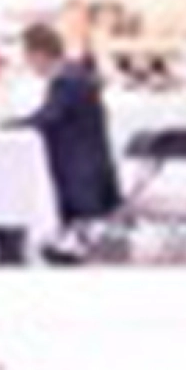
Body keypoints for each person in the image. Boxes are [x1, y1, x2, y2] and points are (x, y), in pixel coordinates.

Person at [10, 22, 122, 233]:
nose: (29, 65)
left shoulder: (67, 80)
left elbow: (49, 118)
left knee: (79, 234)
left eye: (28, 58)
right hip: (91, 170)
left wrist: (11, 126)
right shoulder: (75, 74)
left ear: (39, 54)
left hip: (80, 175)